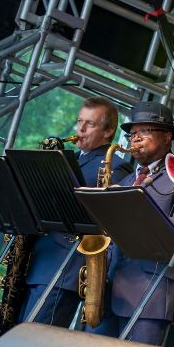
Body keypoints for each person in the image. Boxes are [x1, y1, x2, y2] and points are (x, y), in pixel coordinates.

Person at [87, 101, 174, 344]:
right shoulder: (127, 179)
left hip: (151, 292)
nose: (135, 139)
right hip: (107, 289)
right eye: (132, 133)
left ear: (167, 137)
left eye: (144, 131)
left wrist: (133, 209)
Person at [21, 97, 132, 326]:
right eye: (79, 121)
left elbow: (105, 219)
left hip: (65, 268)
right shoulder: (69, 159)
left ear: (108, 131)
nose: (80, 129)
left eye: (89, 124)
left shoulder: (116, 166)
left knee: (35, 342)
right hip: (41, 260)